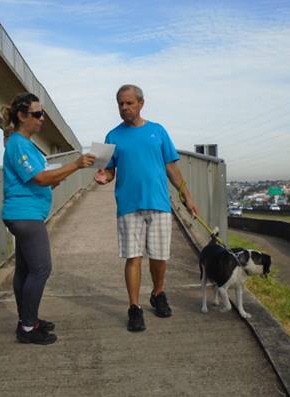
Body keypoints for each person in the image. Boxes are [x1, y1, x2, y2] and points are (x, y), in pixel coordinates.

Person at [95, 84, 198, 332]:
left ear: (141, 103)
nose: (124, 108)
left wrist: (187, 195)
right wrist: (104, 177)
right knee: (133, 257)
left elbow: (172, 168)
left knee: (160, 256)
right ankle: (134, 307)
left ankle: (158, 292)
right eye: (120, 103)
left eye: (129, 103)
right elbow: (107, 170)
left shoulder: (158, 131)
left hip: (159, 202)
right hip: (129, 205)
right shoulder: (112, 136)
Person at [2, 93, 95, 344]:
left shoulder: (24, 143)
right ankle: (28, 328)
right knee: (42, 268)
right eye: (37, 114)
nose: (42, 119)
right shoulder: (18, 144)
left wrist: (58, 176)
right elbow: (40, 178)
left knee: (25, 269)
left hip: (25, 213)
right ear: (22, 116)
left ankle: (27, 319)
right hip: (25, 215)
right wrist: (75, 165)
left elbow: (42, 178)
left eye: (41, 113)